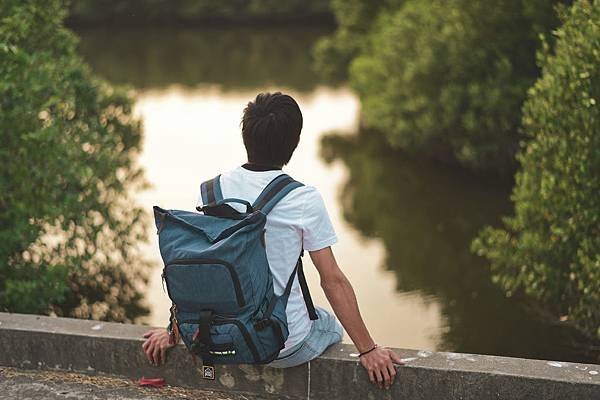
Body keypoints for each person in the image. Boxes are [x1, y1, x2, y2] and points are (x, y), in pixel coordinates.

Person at [142, 92, 402, 389]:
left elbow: (197, 267)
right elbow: (332, 281)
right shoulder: (303, 199)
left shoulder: (210, 191)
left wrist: (173, 331)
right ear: (294, 142)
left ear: (246, 136)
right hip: (280, 344)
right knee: (329, 324)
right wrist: (369, 350)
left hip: (219, 337)